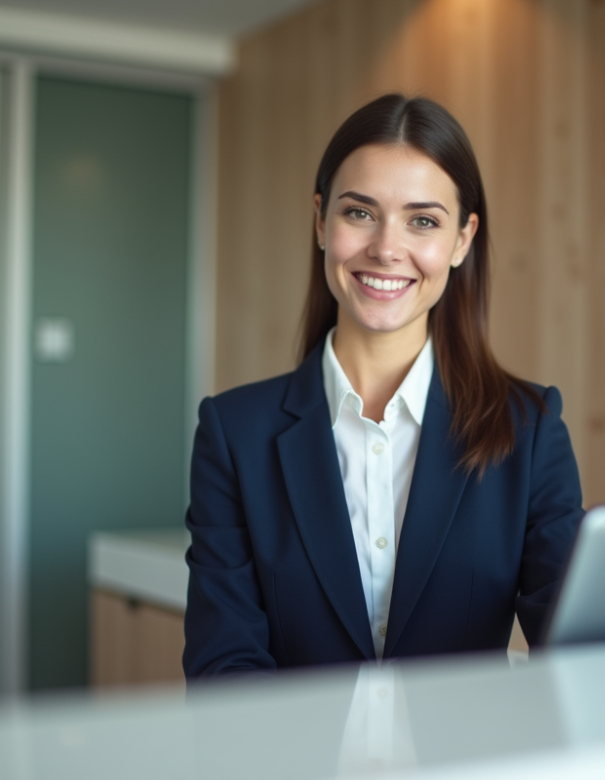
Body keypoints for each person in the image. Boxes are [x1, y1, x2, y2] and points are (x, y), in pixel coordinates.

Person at [183, 94, 584, 678]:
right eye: (359, 213)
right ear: (320, 222)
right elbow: (224, 666)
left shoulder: (528, 428)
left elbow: (577, 649)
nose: (387, 249)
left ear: (463, 240)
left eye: (423, 221)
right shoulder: (234, 434)